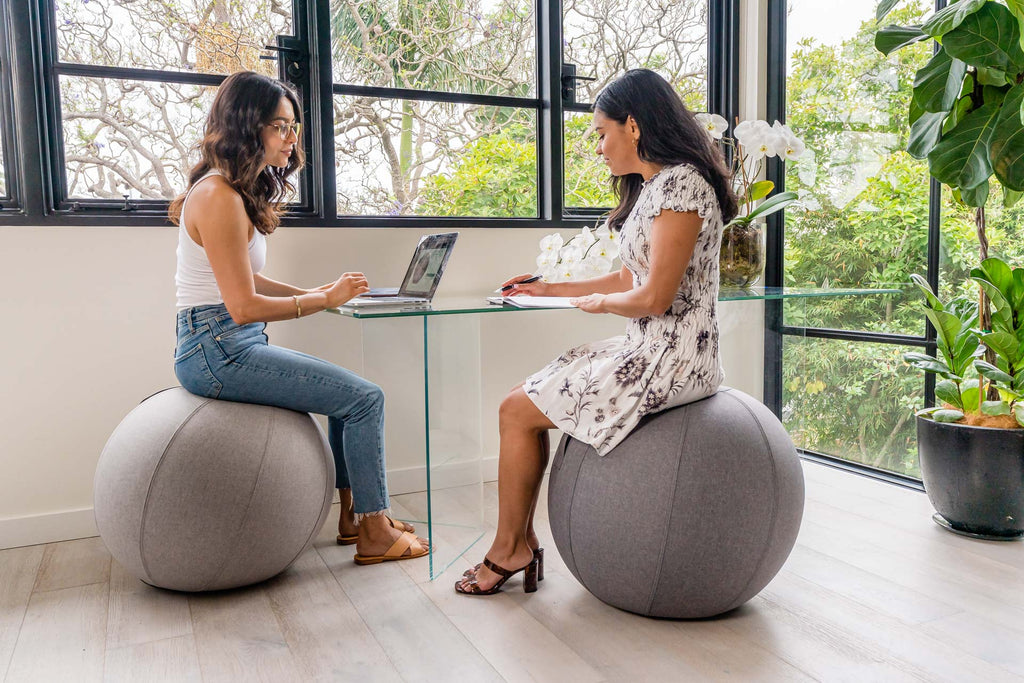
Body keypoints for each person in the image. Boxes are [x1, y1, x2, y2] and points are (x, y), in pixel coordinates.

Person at [456, 69, 738, 595]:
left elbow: (654, 297)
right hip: (650, 344)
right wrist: (549, 288)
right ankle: (517, 541)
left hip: (674, 358)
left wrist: (597, 304)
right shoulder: (657, 186)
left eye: (602, 133)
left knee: (515, 411)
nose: (599, 148)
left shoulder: (682, 184)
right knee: (521, 401)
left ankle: (509, 548)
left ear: (633, 126)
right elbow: (631, 276)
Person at [170, 71, 428, 565]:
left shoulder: (227, 191)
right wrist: (320, 298)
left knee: (347, 396)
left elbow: (246, 282)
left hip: (225, 343)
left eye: (294, 126)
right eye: (280, 126)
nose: (291, 138)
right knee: (364, 398)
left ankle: (357, 518)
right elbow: (242, 305)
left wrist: (319, 295)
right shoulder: (218, 196)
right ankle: (374, 530)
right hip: (217, 351)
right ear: (247, 128)